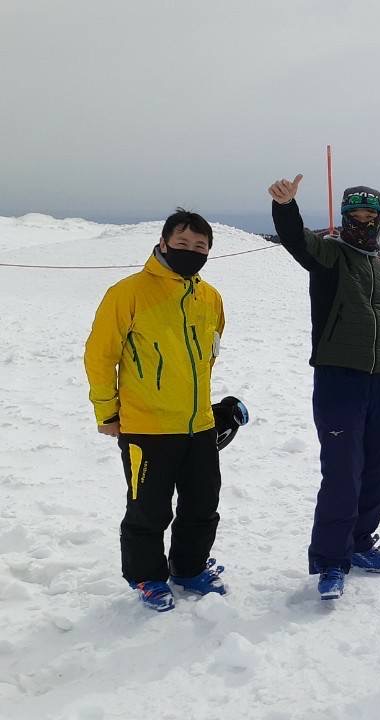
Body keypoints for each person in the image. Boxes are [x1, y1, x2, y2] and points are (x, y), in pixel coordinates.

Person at [268, 174, 380, 600]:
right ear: (344, 217)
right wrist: (285, 207)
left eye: (371, 216)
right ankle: (331, 559)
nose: (364, 223)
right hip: (338, 379)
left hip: (379, 381)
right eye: (356, 216)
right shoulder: (330, 255)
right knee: (342, 472)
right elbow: (297, 240)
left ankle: (360, 540)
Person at [84, 209, 228, 611]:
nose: (191, 251)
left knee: (202, 505)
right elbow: (100, 355)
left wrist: (205, 410)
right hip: (147, 427)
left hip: (198, 426)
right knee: (148, 510)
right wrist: (106, 411)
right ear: (163, 243)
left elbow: (208, 356)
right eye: (182, 243)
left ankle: (189, 568)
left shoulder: (210, 297)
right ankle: (147, 576)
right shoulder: (128, 292)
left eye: (200, 246)